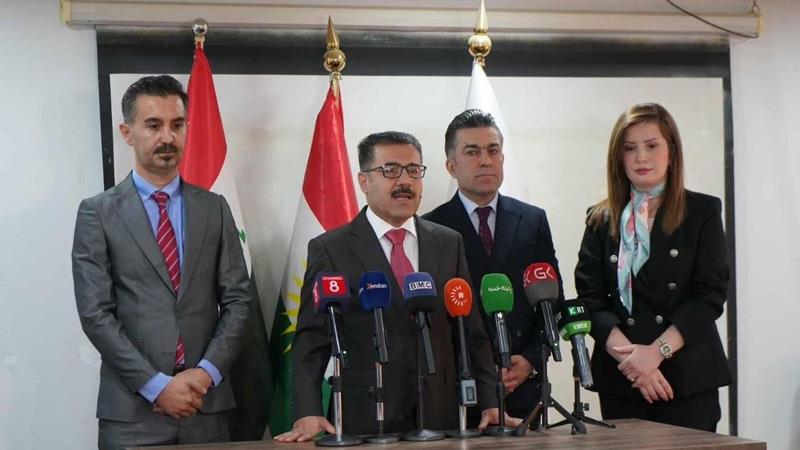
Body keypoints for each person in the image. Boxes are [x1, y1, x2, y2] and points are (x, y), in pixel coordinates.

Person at [275, 131, 515, 442]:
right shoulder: (331, 249)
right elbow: (311, 339)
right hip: (366, 416)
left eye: (414, 170)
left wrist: (491, 401)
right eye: (390, 170)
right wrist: (307, 411)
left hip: (440, 415)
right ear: (364, 181)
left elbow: (470, 331)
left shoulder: (447, 242)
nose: (405, 181)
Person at [72, 75, 251, 449]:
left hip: (206, 407)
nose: (167, 137)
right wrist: (157, 386)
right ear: (127, 132)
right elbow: (95, 314)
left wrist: (205, 374)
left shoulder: (214, 208)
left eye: (177, 125)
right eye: (153, 125)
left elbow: (238, 300)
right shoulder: (97, 213)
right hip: (133, 415)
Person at [574, 102, 732, 431]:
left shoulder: (701, 211)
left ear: (671, 152)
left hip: (686, 377)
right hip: (622, 378)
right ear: (618, 157)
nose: (641, 157)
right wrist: (633, 361)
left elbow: (710, 295)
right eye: (630, 148)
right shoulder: (600, 218)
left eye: (651, 146)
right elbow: (591, 299)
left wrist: (656, 353)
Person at [423, 109, 562, 420]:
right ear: (451, 166)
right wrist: (480, 369)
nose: (485, 160)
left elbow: (552, 300)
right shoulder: (431, 227)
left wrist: (530, 360)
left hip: (523, 387)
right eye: (472, 152)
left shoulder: (532, 220)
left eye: (493, 150)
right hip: (460, 391)